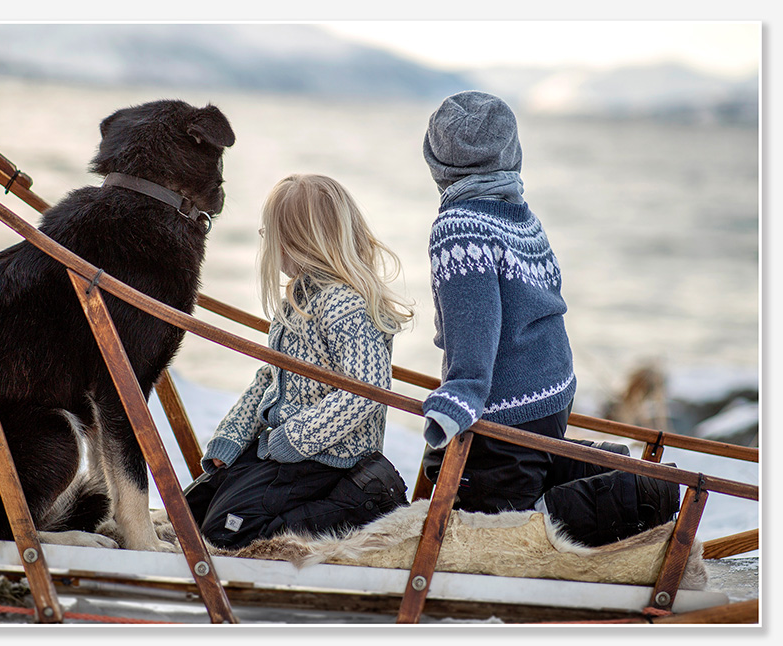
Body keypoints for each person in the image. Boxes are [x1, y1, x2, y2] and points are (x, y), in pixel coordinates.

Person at [419, 91, 679, 546]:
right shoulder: (521, 214)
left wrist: (460, 395)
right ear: (512, 154)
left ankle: (624, 497)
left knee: (495, 530)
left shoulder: (459, 225)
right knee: (521, 471)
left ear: (436, 159)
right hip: (553, 390)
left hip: (507, 411)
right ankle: (599, 474)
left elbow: (475, 327)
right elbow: (546, 298)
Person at [184, 173, 412, 549]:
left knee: (225, 534)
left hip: (328, 458)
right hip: (282, 447)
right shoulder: (301, 297)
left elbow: (368, 390)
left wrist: (297, 438)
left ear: (300, 241)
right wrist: (232, 437)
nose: (268, 244)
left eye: (271, 236)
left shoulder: (345, 304)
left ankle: (363, 502)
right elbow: (268, 379)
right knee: (191, 509)